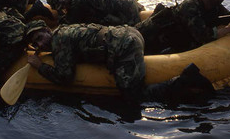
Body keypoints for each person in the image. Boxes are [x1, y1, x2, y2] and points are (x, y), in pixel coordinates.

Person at [25, 20, 215, 104]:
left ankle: (184, 80)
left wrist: (39, 66)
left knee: (133, 96)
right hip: (130, 33)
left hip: (125, 46)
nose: (40, 43)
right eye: (36, 43)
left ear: (47, 30)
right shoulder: (64, 30)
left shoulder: (60, 41)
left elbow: (65, 77)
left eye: (40, 36)